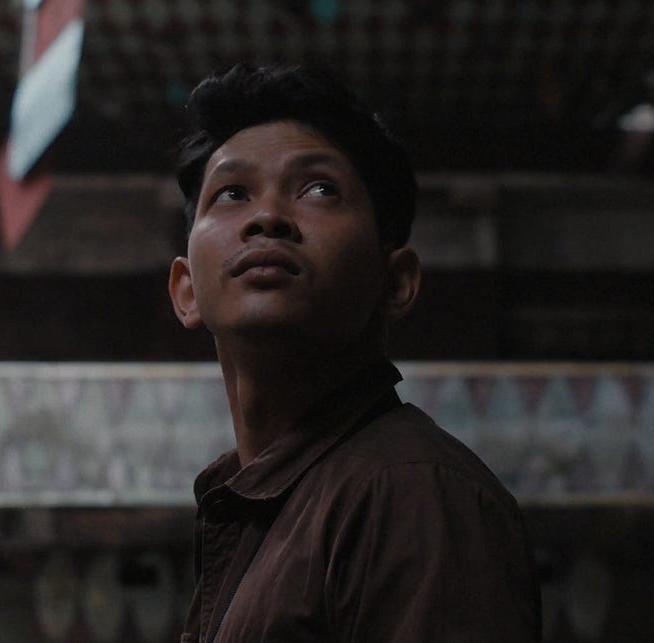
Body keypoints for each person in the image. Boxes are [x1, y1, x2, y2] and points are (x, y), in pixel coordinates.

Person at [168, 64, 541, 642]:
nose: (267, 217)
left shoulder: (415, 494)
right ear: (187, 291)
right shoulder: (259, 504)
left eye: (319, 189)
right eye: (233, 192)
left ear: (395, 282)